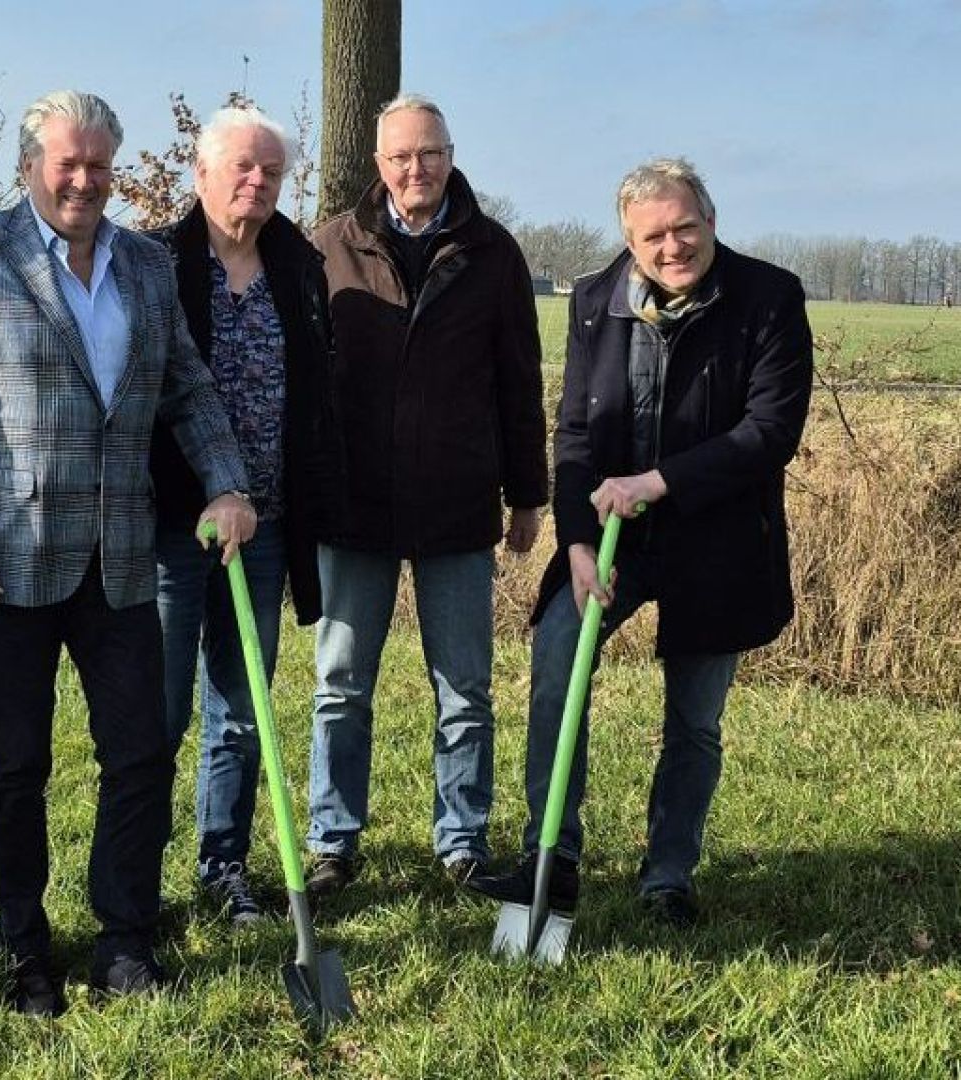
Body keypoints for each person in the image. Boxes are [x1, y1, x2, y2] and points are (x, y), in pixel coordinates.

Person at [0, 90, 255, 1017]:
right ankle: (24, 949)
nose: (86, 180)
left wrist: (226, 481)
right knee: (15, 767)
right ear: (30, 165)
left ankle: (124, 937)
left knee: (140, 755)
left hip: (122, 559)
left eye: (99, 164)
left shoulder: (143, 265)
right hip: (3, 567)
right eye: (69, 163)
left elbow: (189, 388)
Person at [499, 157, 813, 929]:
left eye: (685, 228)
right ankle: (553, 855)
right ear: (629, 242)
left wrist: (658, 482)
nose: (673, 246)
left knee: (694, 719)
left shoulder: (769, 299)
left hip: (721, 541)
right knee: (556, 669)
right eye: (654, 237)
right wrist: (575, 541)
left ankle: (668, 873)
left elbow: (770, 432)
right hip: (608, 536)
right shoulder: (597, 301)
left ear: (711, 219)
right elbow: (574, 434)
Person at [303, 94, 548, 900]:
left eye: (431, 154)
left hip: (455, 504)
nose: (417, 170)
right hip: (354, 505)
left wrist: (527, 496)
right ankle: (333, 839)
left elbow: (518, 384)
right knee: (341, 684)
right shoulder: (329, 247)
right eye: (401, 156)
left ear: (451, 155)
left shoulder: (493, 252)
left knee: (465, 688)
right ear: (378, 164)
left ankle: (463, 839)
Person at [146, 107, 341, 927]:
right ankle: (136, 872)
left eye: (271, 171)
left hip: (263, 524)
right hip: (167, 524)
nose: (256, 183)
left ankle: (222, 865)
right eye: (241, 168)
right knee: (156, 708)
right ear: (201, 172)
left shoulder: (298, 265)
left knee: (241, 705)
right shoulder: (153, 260)